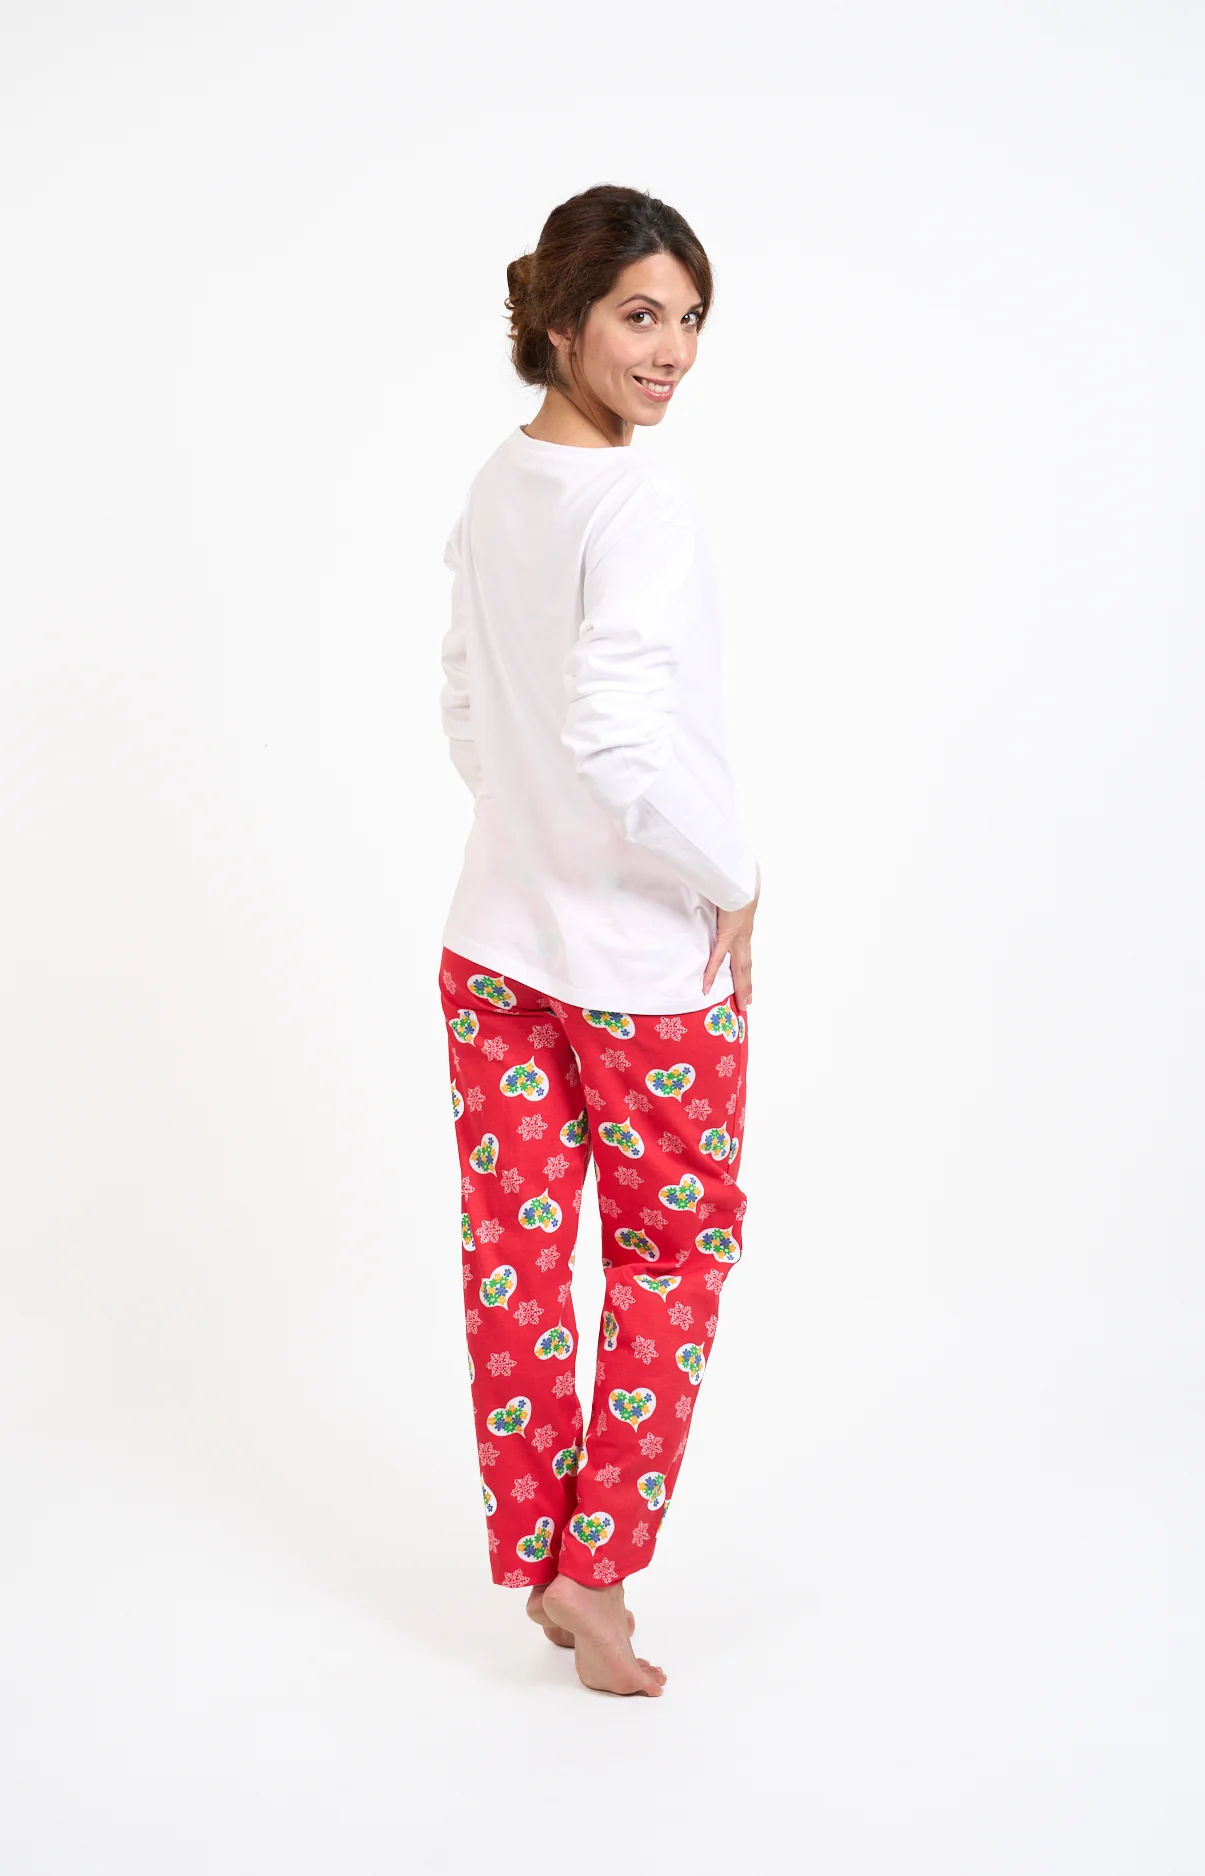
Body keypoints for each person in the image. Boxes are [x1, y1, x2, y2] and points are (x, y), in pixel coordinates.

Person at [437, 183, 761, 1697]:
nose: (672, 349)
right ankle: (597, 1571)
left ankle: (541, 1559)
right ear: (562, 324)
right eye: (640, 315)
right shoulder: (637, 505)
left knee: (515, 1256)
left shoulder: (501, 484)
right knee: (670, 1254)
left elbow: (464, 700)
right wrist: (732, 877)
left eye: (689, 318)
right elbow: (621, 740)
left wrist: (533, 829)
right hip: (639, 973)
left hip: (494, 941)